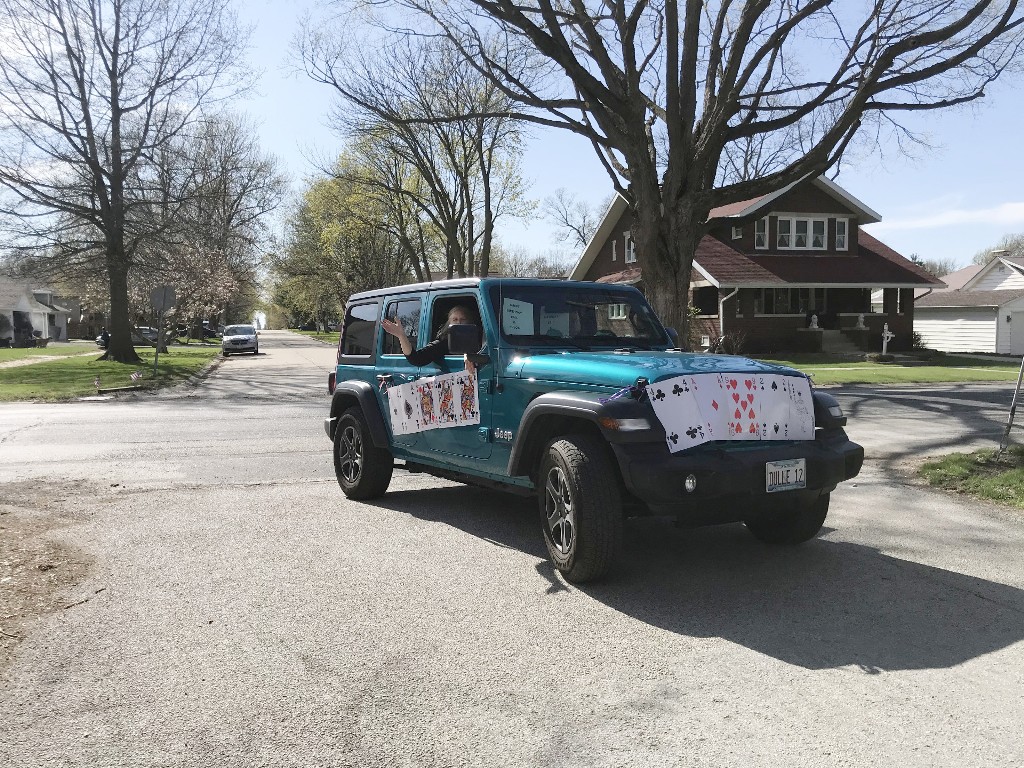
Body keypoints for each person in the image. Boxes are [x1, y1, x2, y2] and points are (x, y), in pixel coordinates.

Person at [381, 304, 480, 372]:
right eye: (455, 319)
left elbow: (485, 352)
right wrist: (401, 335)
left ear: (469, 322)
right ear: (449, 324)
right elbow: (416, 359)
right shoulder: (444, 343)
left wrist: (469, 356)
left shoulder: (480, 339)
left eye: (463, 319)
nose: (459, 322)